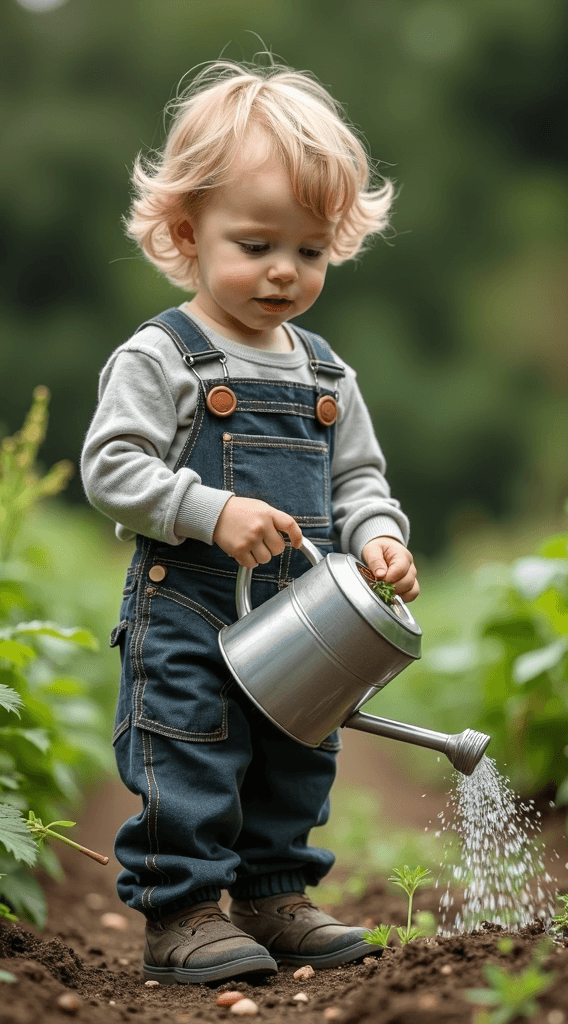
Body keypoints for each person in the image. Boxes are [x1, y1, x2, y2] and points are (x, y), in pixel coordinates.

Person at [81, 60, 419, 986]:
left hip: (304, 613)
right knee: (189, 749)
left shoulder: (326, 374)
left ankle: (274, 895)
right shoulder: (164, 357)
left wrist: (380, 537)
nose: (285, 272)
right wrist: (210, 509)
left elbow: (359, 479)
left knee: (294, 754)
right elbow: (109, 468)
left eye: (310, 252)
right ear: (188, 233)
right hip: (191, 605)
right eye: (258, 243)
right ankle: (183, 909)